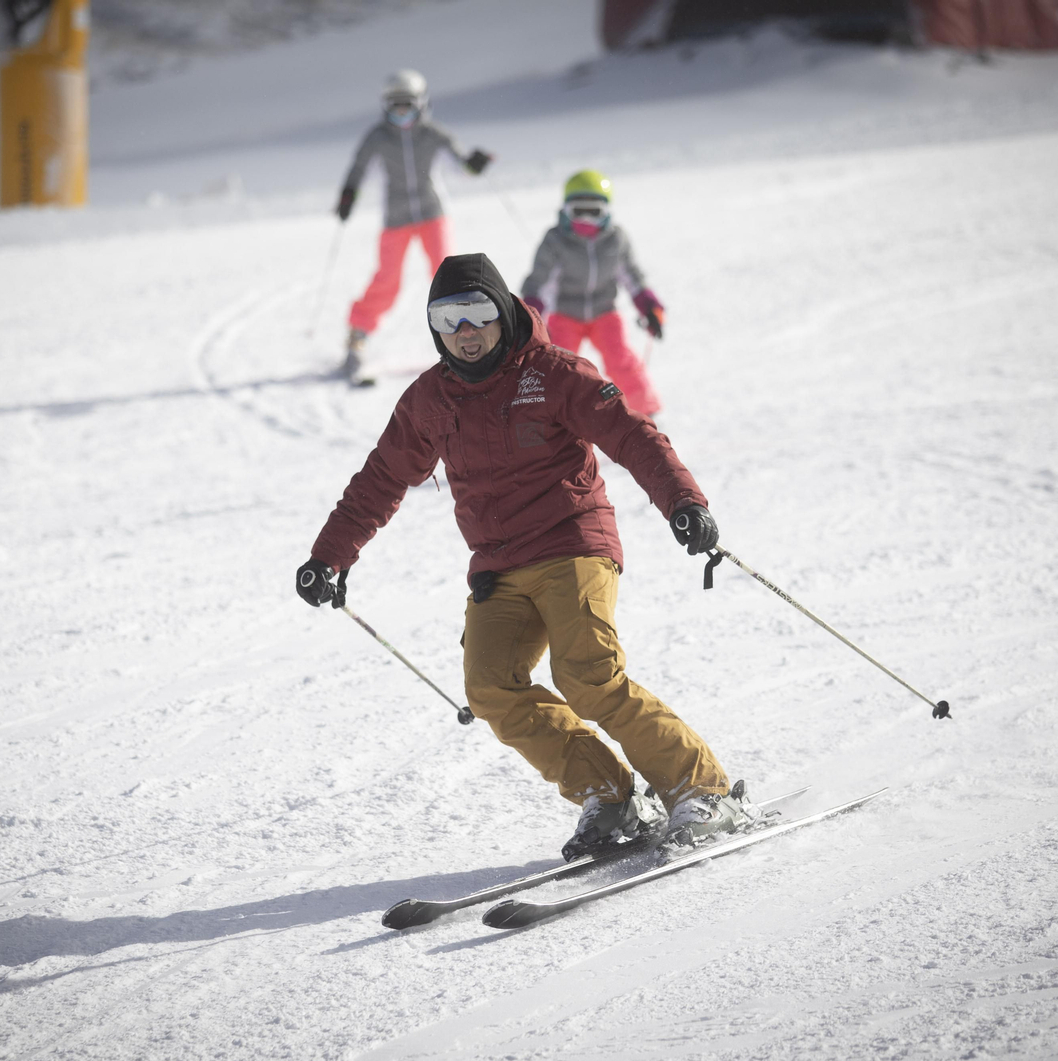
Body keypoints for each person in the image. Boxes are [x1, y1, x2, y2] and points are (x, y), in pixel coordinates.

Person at [295, 252, 756, 860]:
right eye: (447, 318)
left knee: (587, 676)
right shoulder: (429, 400)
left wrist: (682, 502)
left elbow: (630, 432)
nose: (464, 332)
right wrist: (331, 557)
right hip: (497, 566)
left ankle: (702, 789)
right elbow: (381, 478)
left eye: (476, 313)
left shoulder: (554, 372)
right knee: (489, 687)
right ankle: (610, 795)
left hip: (572, 544)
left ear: (504, 309)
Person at [335, 69, 494, 381]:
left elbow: (461, 163)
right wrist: (348, 193)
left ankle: (464, 340)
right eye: (395, 105)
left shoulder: (433, 133)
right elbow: (359, 167)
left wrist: (473, 164)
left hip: (432, 213)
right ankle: (357, 336)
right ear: (385, 106)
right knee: (388, 280)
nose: (402, 112)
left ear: (422, 103)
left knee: (446, 273)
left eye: (407, 104)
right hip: (396, 217)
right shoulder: (377, 137)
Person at [520, 170, 666, 417]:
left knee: (620, 360)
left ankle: (644, 414)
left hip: (604, 313)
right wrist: (529, 319)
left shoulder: (615, 240)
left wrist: (649, 306)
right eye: (579, 211)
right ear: (566, 210)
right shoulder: (556, 241)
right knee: (557, 367)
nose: (586, 219)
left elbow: (632, 276)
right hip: (565, 315)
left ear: (606, 212)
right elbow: (539, 283)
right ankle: (551, 418)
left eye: (594, 212)